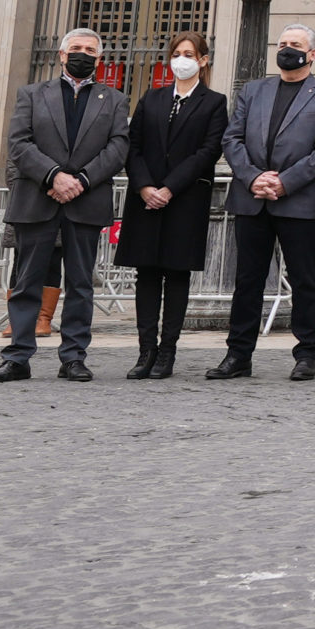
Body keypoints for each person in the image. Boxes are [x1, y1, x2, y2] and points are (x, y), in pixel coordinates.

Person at [0, 29, 133, 383]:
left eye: (90, 50)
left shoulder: (113, 99)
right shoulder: (32, 94)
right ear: (62, 55)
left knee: (81, 284)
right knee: (26, 282)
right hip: (38, 200)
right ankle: (18, 357)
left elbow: (118, 148)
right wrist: (53, 176)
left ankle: (73, 357)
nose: (82, 54)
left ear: (99, 59)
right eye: (76, 49)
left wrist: (80, 180)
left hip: (86, 202)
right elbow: (19, 143)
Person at [211, 24, 315, 381]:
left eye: (296, 45)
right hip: (251, 198)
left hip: (298, 201)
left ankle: (306, 354)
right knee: (247, 280)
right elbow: (232, 137)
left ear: (313, 54)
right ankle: (238, 354)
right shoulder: (254, 90)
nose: (287, 49)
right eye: (283, 44)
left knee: (303, 279)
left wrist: (284, 182)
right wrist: (253, 177)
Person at [113, 31, 225, 381]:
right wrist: (146, 186)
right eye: (177, 53)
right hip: (145, 200)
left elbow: (208, 151)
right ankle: (146, 349)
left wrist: (169, 188)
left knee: (176, 277)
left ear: (203, 60)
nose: (182, 59)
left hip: (184, 199)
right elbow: (134, 146)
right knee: (146, 275)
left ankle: (167, 351)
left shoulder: (214, 102)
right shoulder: (152, 97)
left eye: (190, 53)